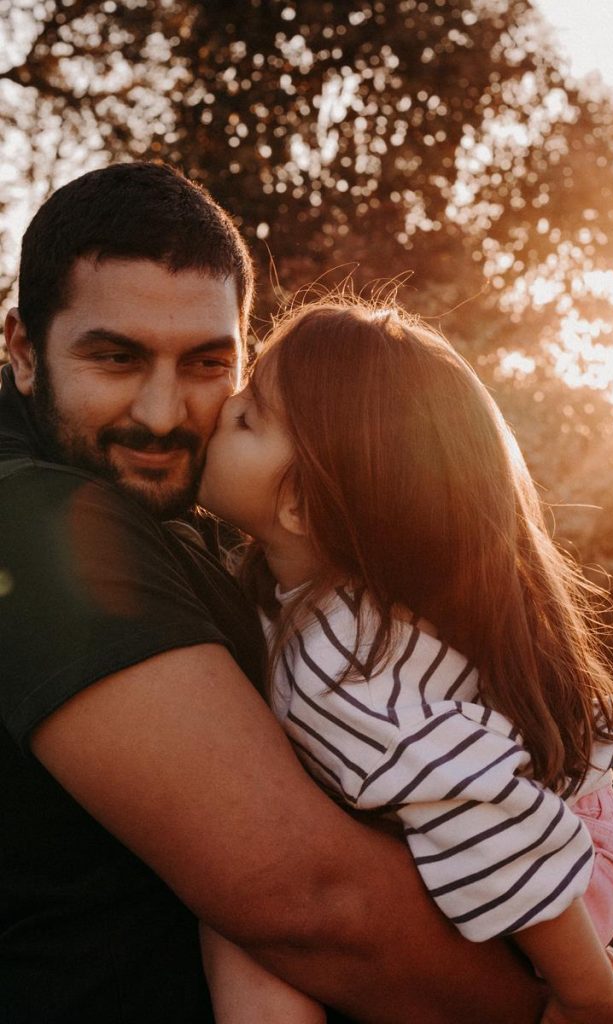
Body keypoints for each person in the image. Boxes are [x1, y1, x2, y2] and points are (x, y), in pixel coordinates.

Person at [0, 161, 550, 1023]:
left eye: (206, 363)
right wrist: (553, 1006)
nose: (161, 411)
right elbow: (306, 902)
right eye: (116, 357)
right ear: (23, 351)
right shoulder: (33, 523)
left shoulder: (187, 513)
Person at [197, 300, 613, 1024]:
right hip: (524, 841)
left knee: (234, 895)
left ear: (297, 506)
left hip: (547, 866)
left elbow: (489, 815)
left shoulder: (339, 673)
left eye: (248, 417)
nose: (220, 406)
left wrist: (582, 986)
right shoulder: (296, 588)